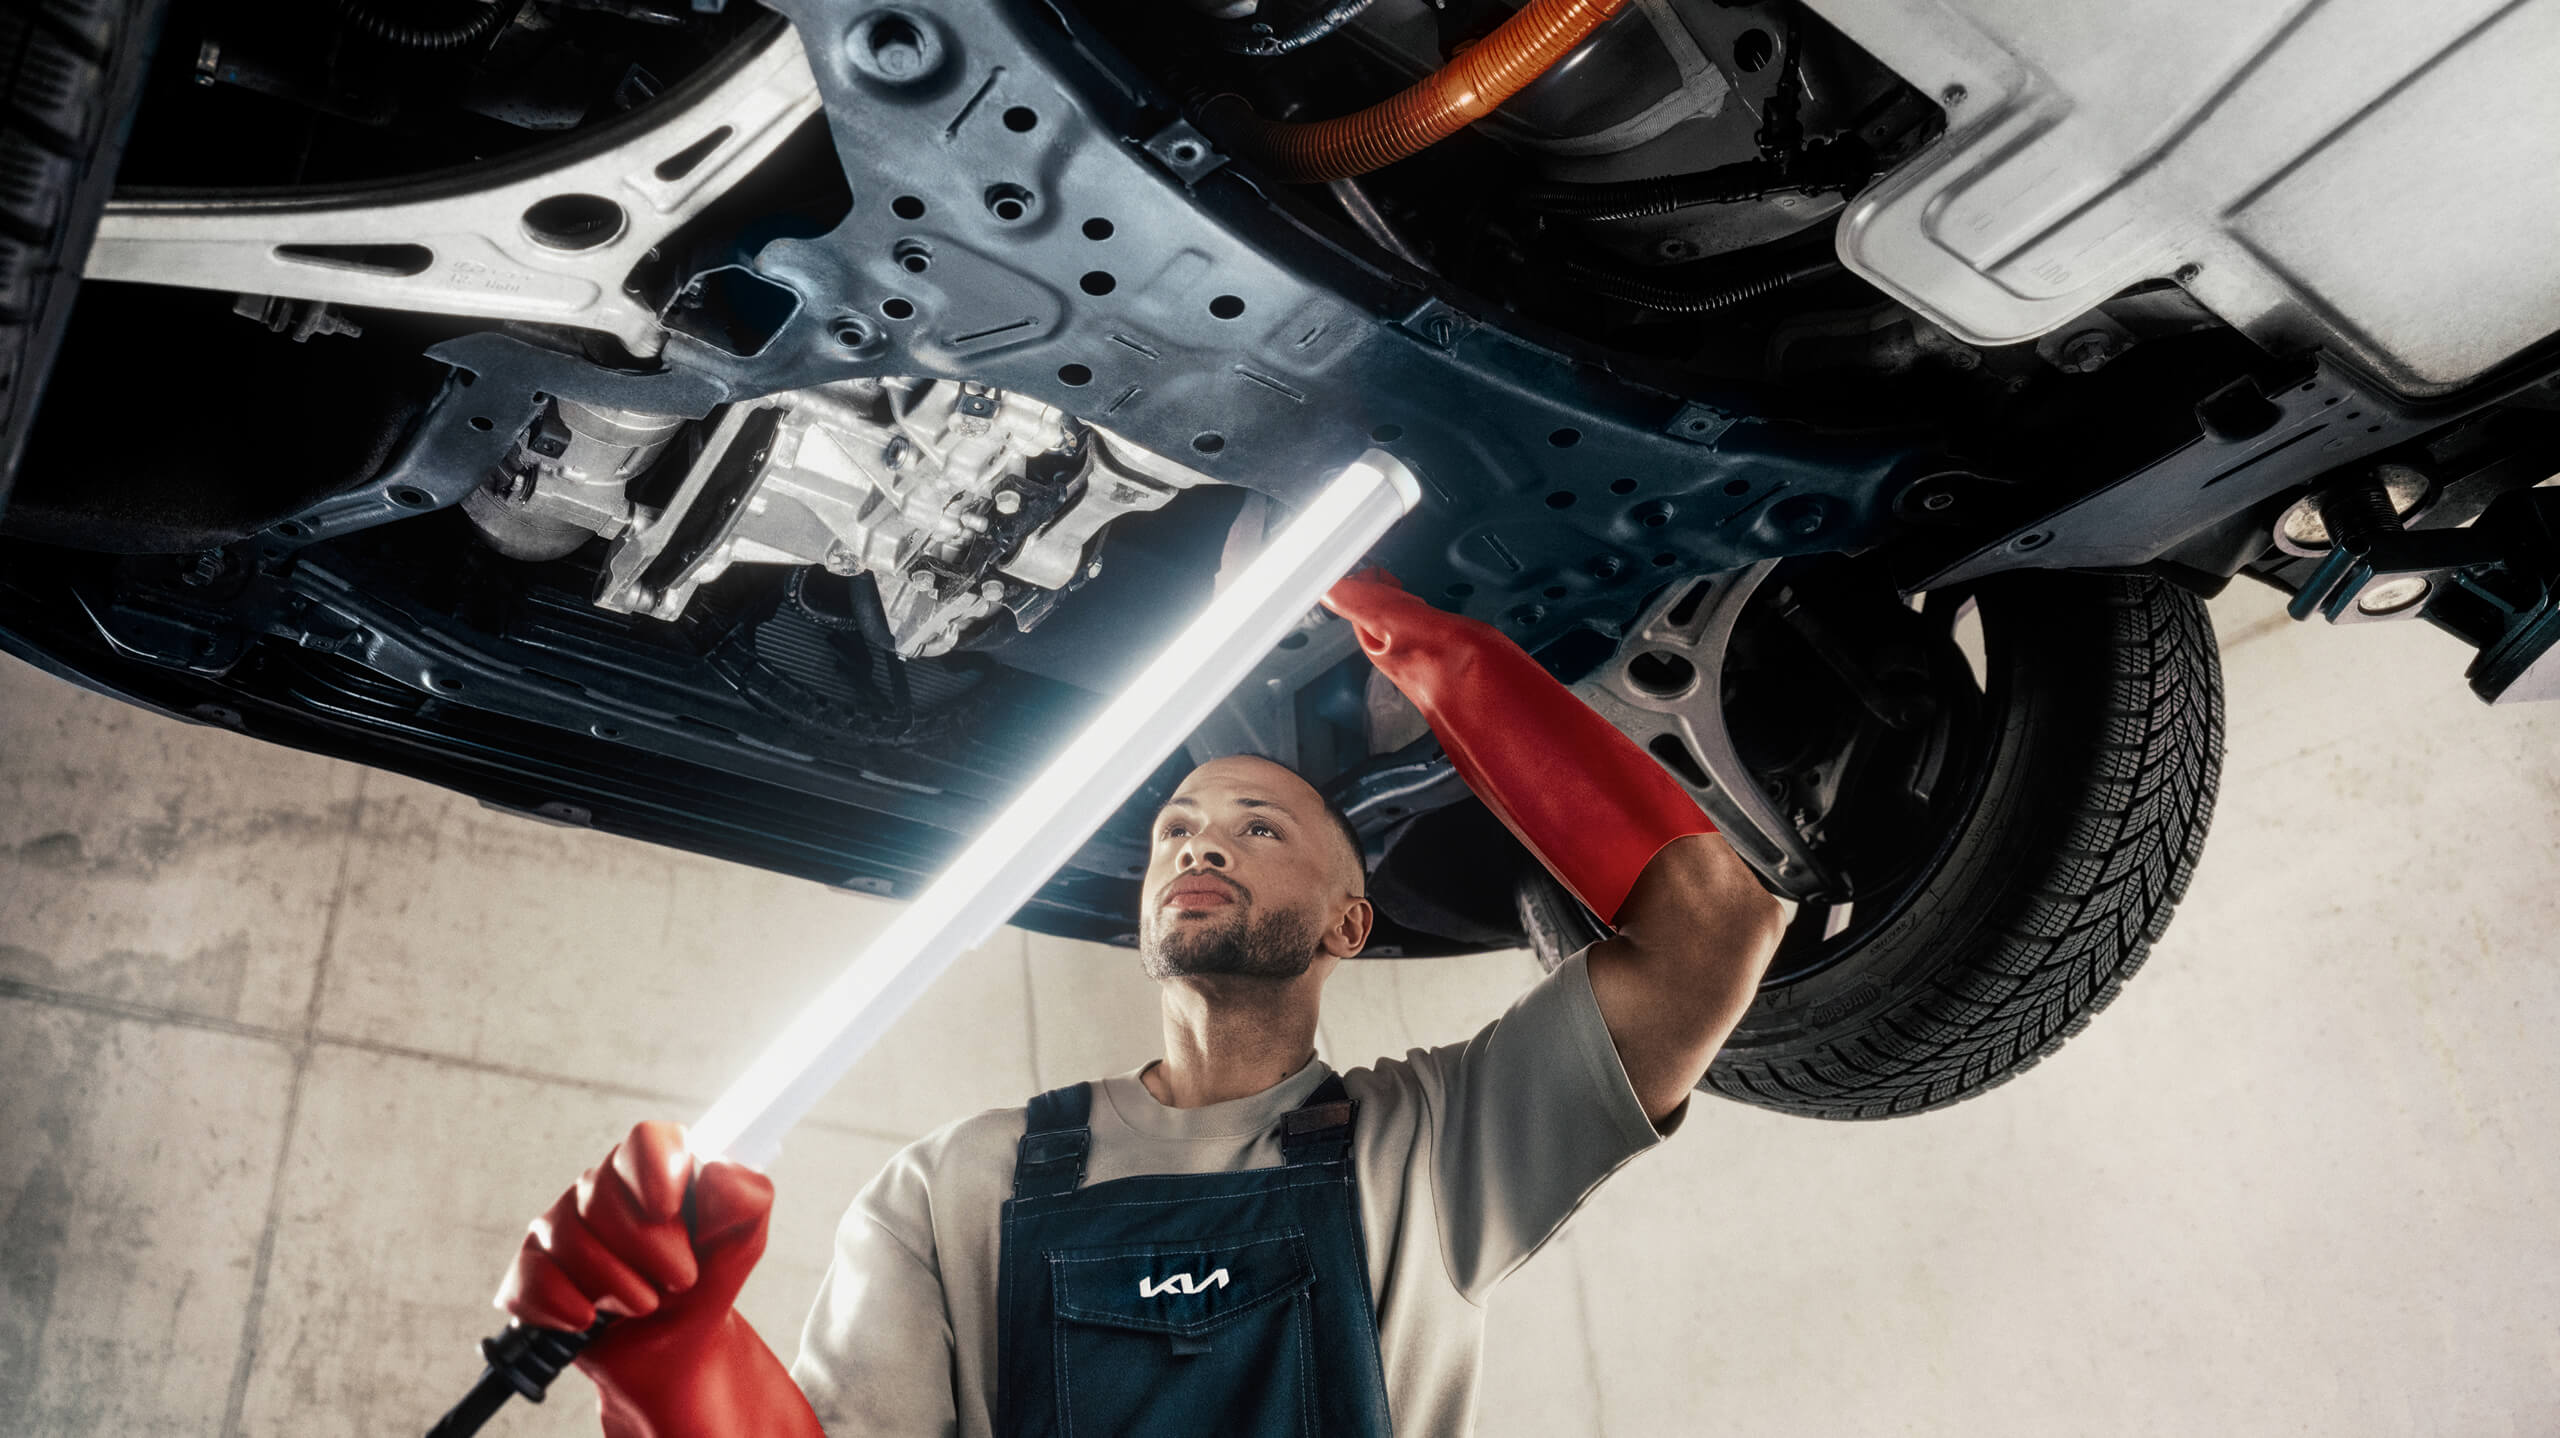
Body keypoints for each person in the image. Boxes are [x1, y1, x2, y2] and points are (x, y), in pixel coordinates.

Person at [493, 572, 1787, 1437]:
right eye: (1177, 828)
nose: (1199, 844)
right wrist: (678, 1363)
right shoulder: (957, 1179)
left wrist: (1451, 656)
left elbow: (1715, 926)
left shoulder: (1441, 1144)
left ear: (1353, 922)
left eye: (1257, 823)